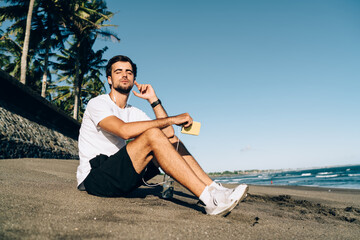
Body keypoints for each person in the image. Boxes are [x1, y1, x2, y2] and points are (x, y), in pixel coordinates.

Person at [76, 55, 248, 216]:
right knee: (152, 134)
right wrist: (174, 119)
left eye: (129, 72)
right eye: (118, 71)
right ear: (109, 79)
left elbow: (168, 134)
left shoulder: (133, 112)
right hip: (95, 178)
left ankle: (214, 189)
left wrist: (153, 100)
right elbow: (124, 130)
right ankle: (209, 200)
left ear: (134, 79)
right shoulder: (98, 103)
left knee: (171, 139)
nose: (124, 75)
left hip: (120, 177)